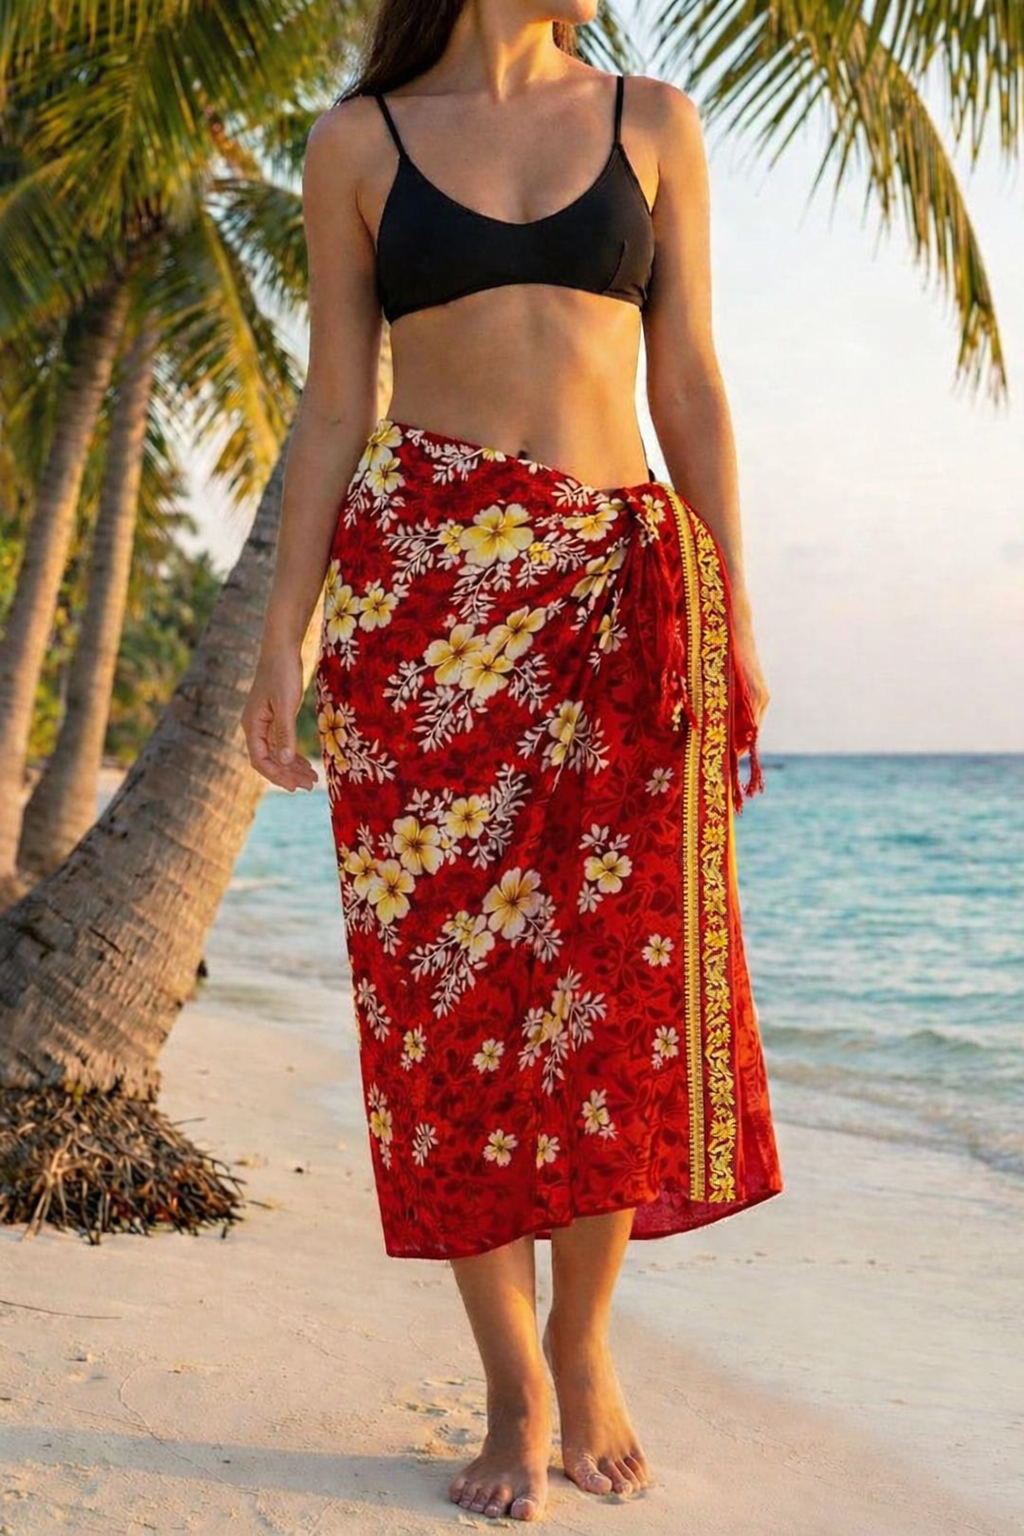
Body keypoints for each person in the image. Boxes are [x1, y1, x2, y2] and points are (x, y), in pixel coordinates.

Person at [242, 0, 784, 1522]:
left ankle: (586, 1343)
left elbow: (692, 383)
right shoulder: (359, 142)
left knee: (612, 993)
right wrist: (280, 637)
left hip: (621, 596)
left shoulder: (652, 120)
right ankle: (510, 1384)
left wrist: (731, 607)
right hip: (427, 615)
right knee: (446, 1007)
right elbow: (336, 404)